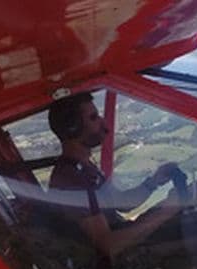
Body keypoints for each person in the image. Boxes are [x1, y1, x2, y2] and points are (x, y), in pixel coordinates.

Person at [47, 92, 184, 260]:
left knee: (195, 196)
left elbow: (121, 202)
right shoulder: (70, 180)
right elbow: (108, 246)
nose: (103, 123)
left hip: (128, 239)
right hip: (126, 259)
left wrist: (153, 182)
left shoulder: (84, 168)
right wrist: (166, 212)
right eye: (93, 117)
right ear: (73, 128)